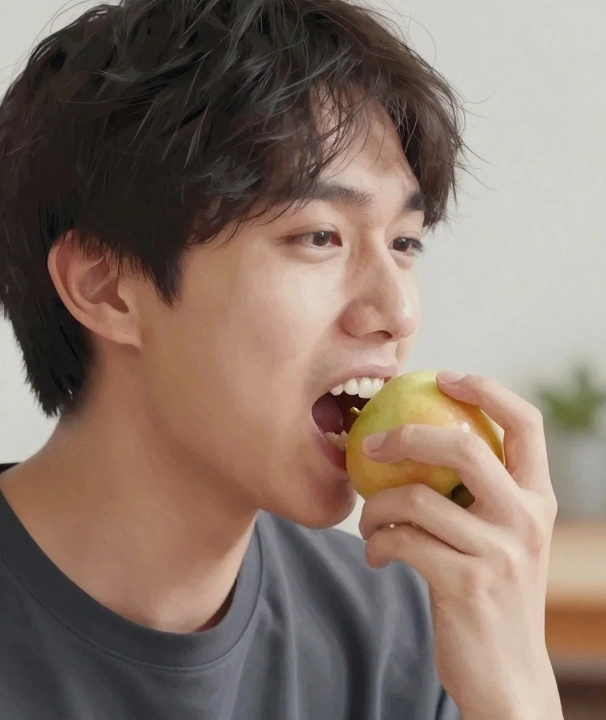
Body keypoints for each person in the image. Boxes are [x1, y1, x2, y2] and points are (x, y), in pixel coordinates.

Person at [0, 1, 561, 718]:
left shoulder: (401, 628)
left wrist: (517, 690)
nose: (397, 314)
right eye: (321, 236)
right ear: (106, 287)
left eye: (405, 243)